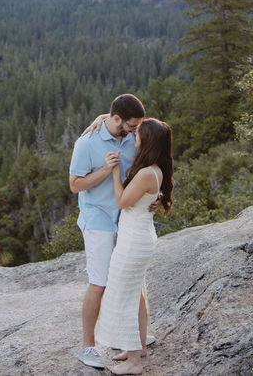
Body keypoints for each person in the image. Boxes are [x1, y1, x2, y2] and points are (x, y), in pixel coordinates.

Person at [69, 93, 152, 369]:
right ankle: (88, 347)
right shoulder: (87, 143)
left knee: (134, 280)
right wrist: (105, 170)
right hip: (98, 219)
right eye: (131, 125)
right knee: (100, 282)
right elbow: (75, 185)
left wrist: (156, 196)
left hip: (126, 216)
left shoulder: (133, 137)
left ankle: (137, 340)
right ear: (116, 119)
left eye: (137, 126)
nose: (135, 130)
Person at [95, 118, 174, 374]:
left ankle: (134, 364)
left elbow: (121, 201)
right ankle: (136, 347)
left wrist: (115, 172)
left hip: (133, 240)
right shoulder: (156, 170)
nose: (134, 136)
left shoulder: (144, 174)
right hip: (140, 235)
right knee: (137, 295)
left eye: (139, 133)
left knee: (124, 295)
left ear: (147, 140)